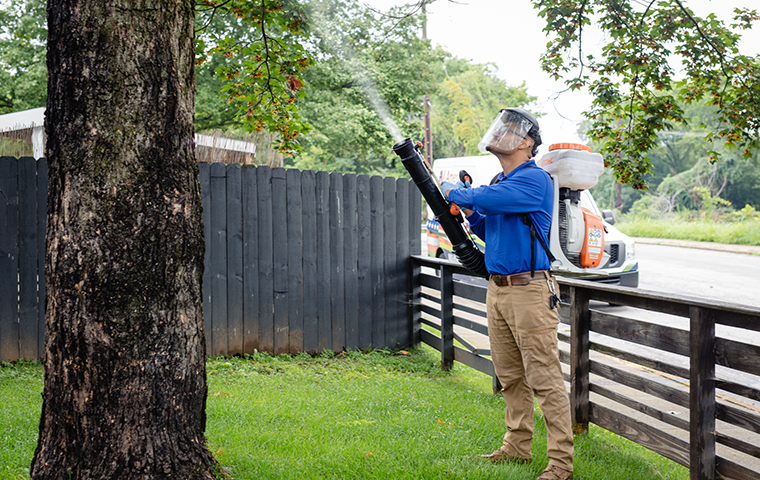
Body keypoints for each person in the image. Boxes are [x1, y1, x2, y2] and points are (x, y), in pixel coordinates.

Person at [441, 108, 574, 480]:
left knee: (544, 378)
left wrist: (456, 192)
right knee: (511, 376)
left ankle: (561, 464)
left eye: (510, 129)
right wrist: (468, 213)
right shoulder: (501, 180)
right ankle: (517, 447)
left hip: (530, 290)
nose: (500, 133)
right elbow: (490, 228)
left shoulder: (534, 179)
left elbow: (486, 198)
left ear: (527, 142)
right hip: (498, 290)